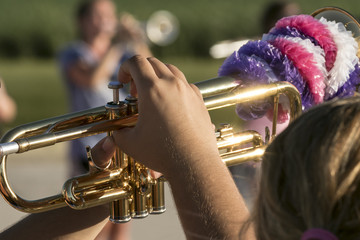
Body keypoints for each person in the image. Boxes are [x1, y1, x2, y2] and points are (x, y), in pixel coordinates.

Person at [58, 0, 152, 177]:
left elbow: (151, 76)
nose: (105, 20)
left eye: (109, 15)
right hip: (87, 144)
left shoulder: (125, 53)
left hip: (126, 142)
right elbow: (91, 80)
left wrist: (137, 41)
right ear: (82, 21)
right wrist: (117, 44)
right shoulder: (72, 53)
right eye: (98, 15)